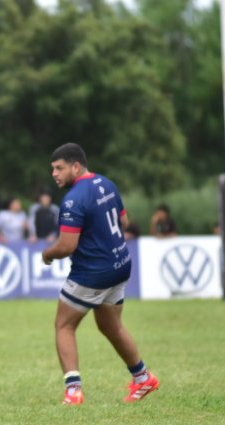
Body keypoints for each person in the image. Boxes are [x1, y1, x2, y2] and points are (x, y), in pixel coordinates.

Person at [41, 143, 159, 405]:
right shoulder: (107, 184)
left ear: (75, 166)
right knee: (110, 325)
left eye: (59, 168)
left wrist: (47, 254)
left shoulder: (73, 199)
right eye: (53, 169)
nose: (55, 174)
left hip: (93, 272)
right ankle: (143, 378)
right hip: (120, 265)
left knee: (64, 325)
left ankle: (73, 391)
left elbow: (67, 246)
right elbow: (125, 223)